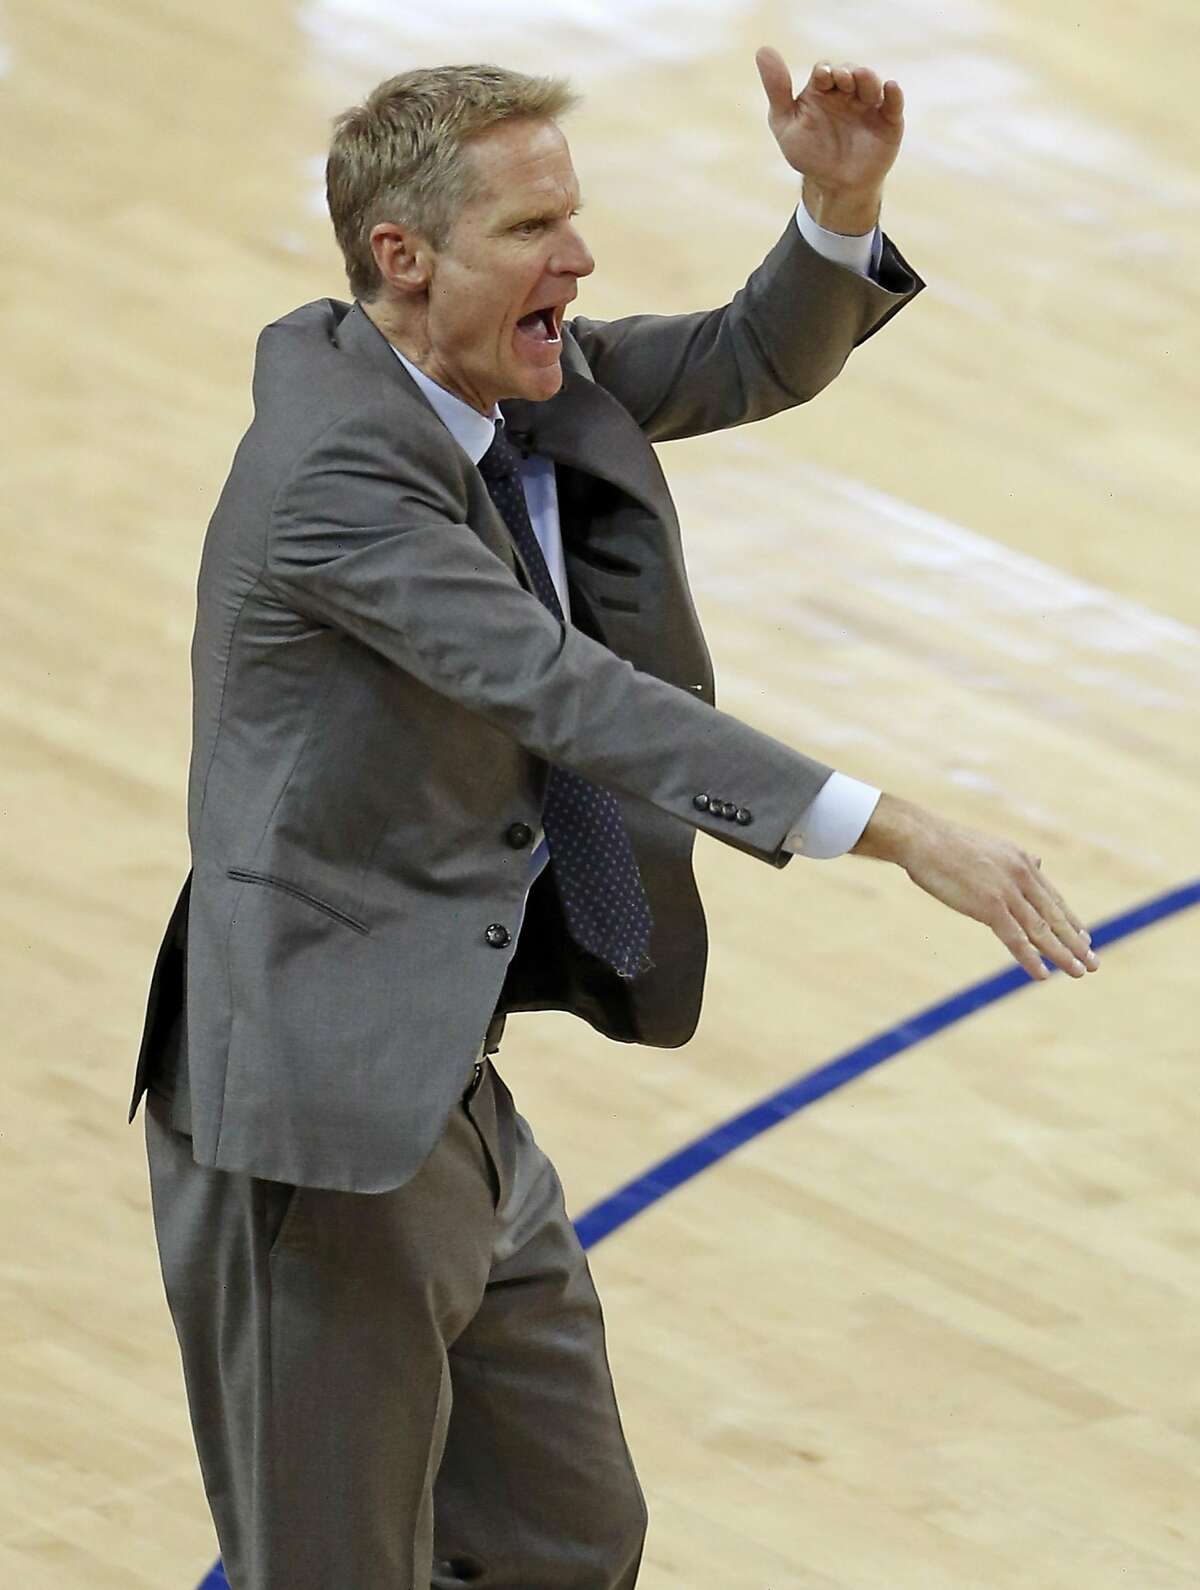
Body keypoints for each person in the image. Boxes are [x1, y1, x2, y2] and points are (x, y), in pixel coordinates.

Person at [131, 50, 1098, 1590]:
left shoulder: (511, 380)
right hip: (315, 1110)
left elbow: (743, 356)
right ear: (404, 257)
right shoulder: (334, 482)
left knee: (565, 1534)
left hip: (442, 1074)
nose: (578, 260)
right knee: (336, 1563)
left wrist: (838, 201)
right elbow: (575, 696)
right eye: (533, 232)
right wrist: (900, 828)